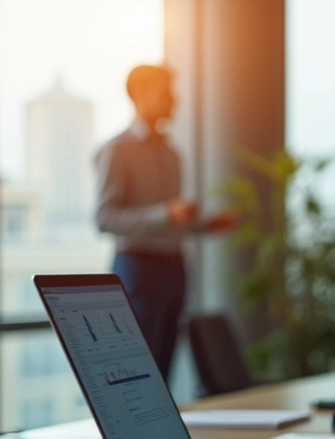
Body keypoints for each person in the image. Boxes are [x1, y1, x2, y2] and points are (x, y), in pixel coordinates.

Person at [95, 65, 235, 380]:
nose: (174, 99)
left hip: (175, 270)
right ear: (140, 94)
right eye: (165, 92)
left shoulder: (172, 154)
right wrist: (165, 212)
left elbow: (171, 221)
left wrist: (205, 224)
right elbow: (104, 218)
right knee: (139, 373)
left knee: (164, 369)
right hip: (139, 270)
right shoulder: (118, 149)